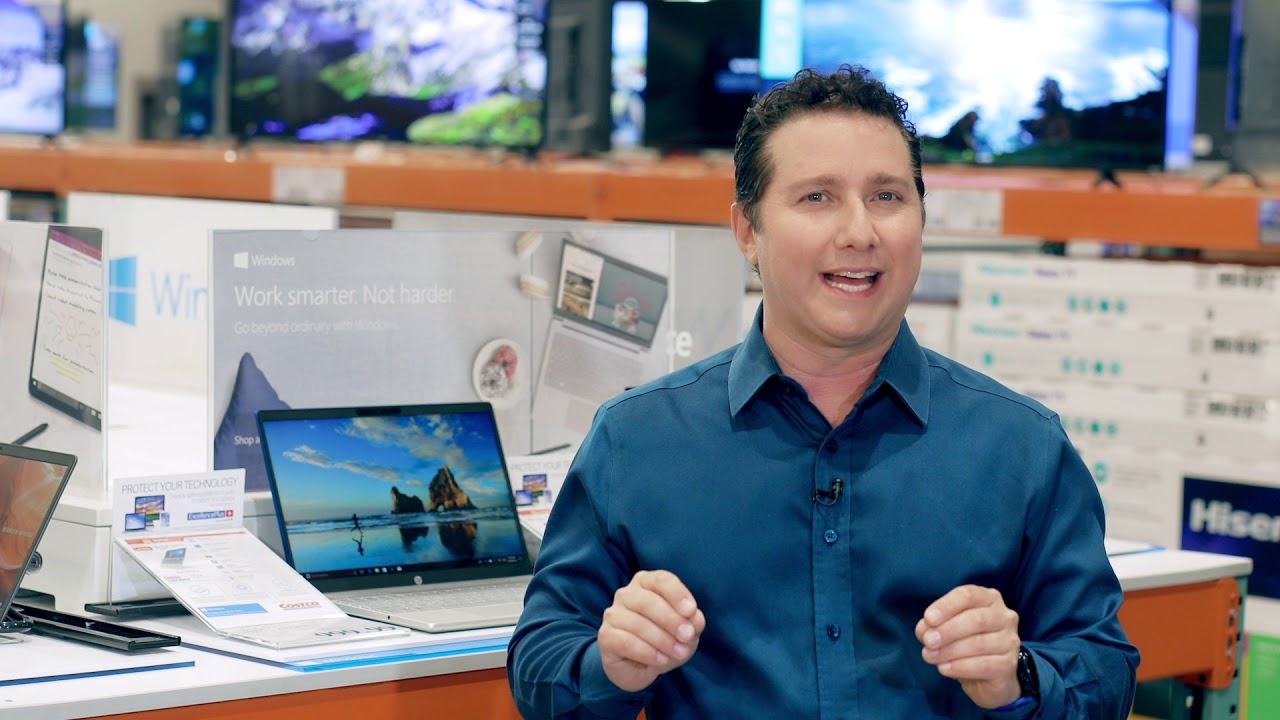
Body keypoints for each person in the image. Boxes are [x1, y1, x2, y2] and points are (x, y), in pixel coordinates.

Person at [507, 65, 1139, 719]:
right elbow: (541, 665)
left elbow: (1105, 670)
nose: (860, 232)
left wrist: (1020, 676)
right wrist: (611, 664)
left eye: (887, 196)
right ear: (748, 232)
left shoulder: (1022, 447)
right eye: (817, 197)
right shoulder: (636, 439)